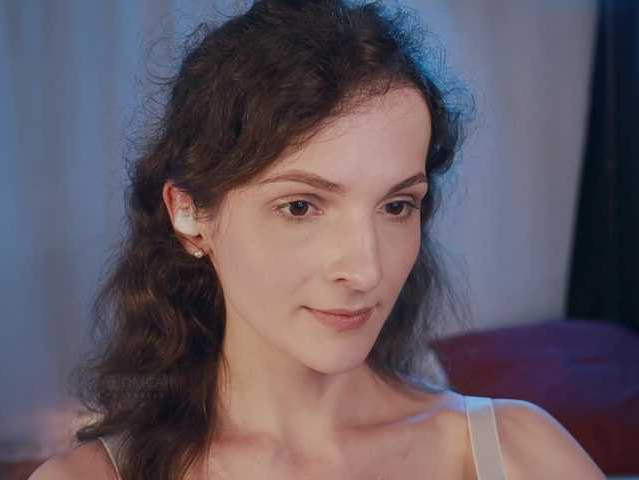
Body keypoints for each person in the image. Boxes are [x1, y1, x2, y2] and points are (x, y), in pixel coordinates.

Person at [30, 0, 605, 479]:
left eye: (396, 206)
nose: (366, 270)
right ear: (189, 213)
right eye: (301, 207)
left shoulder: (519, 453)